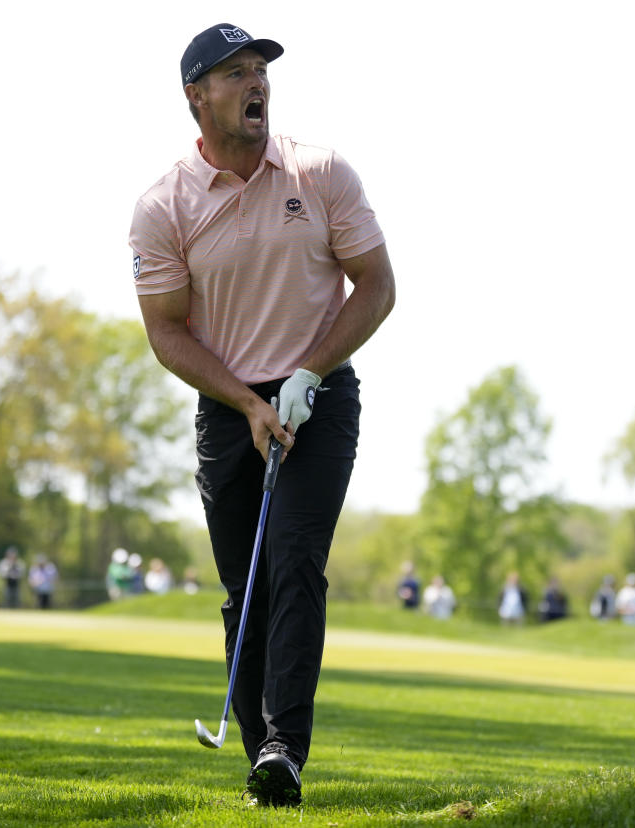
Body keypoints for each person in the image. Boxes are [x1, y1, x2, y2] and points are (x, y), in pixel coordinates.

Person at [128, 22, 396, 809]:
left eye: (262, 71)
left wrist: (309, 373)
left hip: (319, 397)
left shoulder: (319, 174)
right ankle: (262, 759)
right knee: (244, 587)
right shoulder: (163, 206)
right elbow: (166, 332)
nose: (258, 84)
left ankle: (285, 749)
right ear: (196, 97)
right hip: (227, 406)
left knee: (294, 561)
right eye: (236, 73)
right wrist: (246, 401)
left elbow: (376, 287)